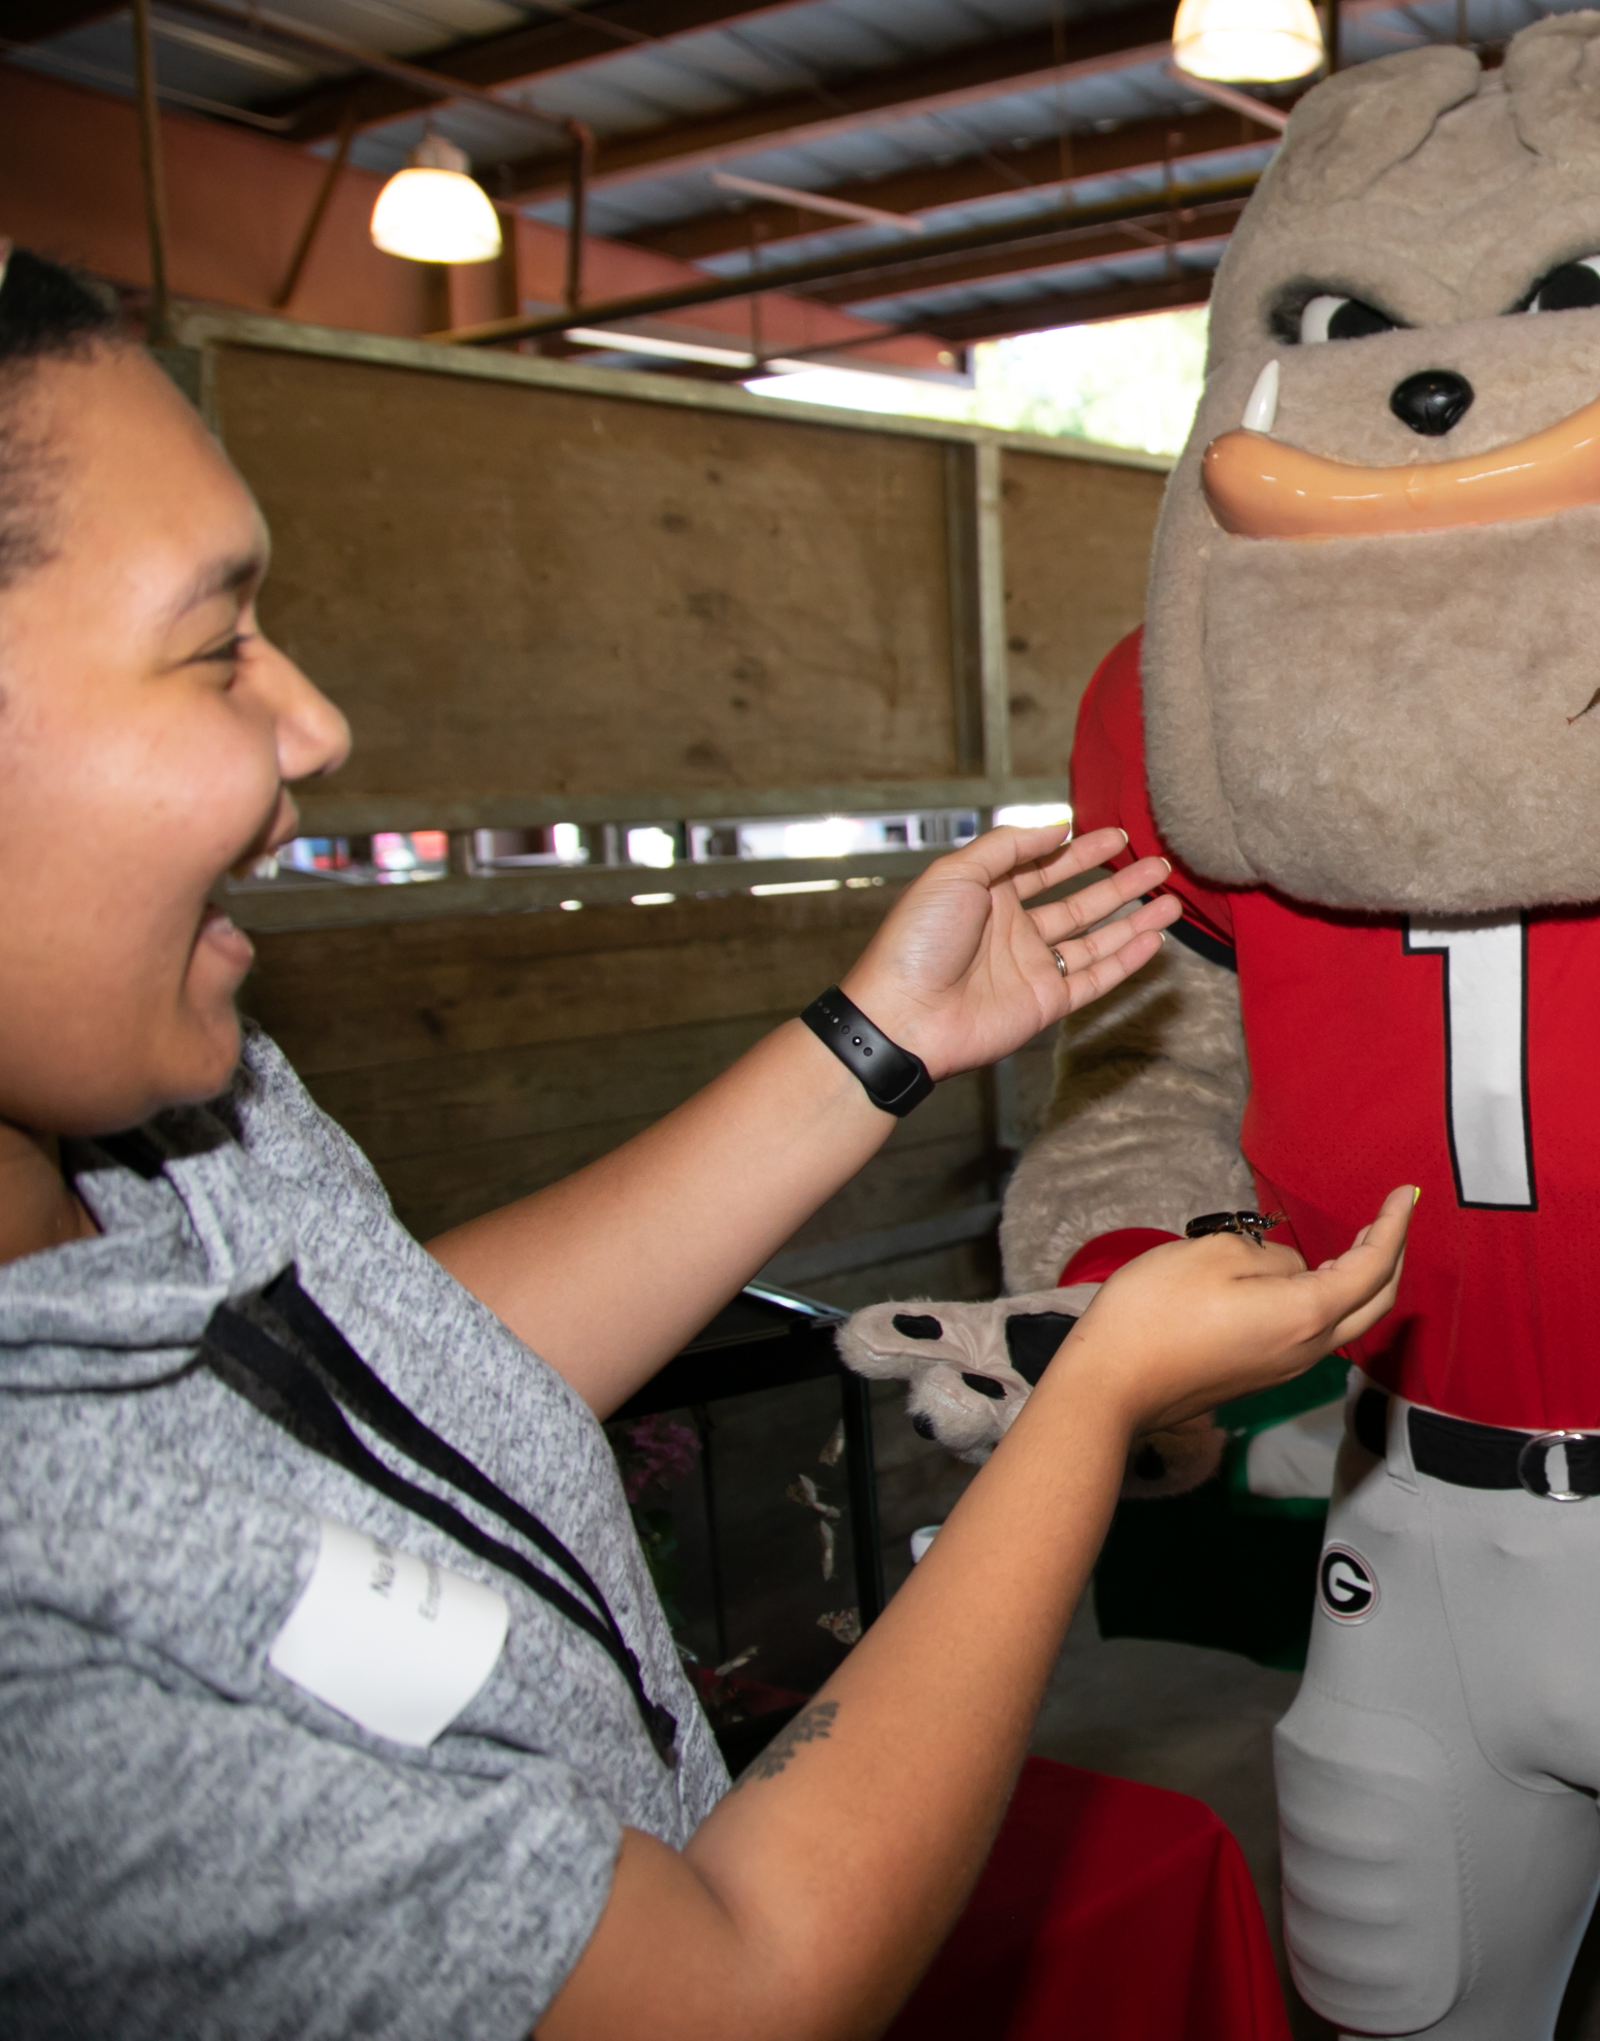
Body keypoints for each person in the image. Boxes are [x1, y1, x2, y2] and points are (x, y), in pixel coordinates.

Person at [0, 243, 1412, 2040]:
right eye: (216, 647)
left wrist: (875, 1042)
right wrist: (1088, 1402)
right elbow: (733, 1989)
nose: (316, 722)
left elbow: (409, 1359)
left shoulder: (169, 1104)